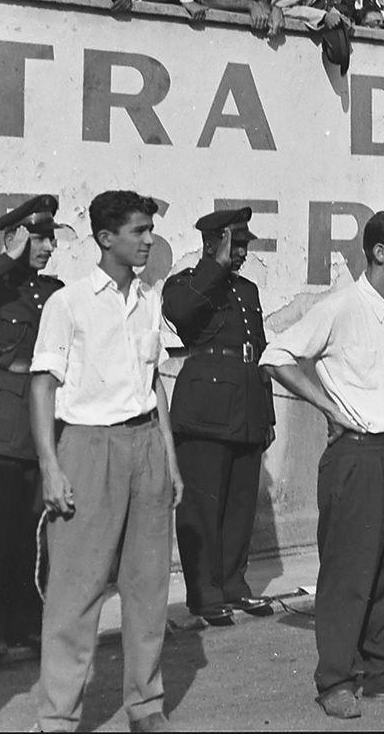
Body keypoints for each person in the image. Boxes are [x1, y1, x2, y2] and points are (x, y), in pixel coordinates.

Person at [263, 210, 384, 718]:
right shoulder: (339, 306)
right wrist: (328, 406)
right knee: (348, 572)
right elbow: (276, 355)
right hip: (356, 458)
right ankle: (335, 680)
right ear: (380, 252)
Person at [29, 190, 181, 734]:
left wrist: (169, 457)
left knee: (147, 588)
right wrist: (51, 466)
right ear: (105, 238)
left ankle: (146, 707)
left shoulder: (150, 298)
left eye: (149, 231)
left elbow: (154, 383)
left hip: (146, 448)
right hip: (89, 448)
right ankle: (58, 717)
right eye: (139, 231)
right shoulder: (67, 303)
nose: (148, 241)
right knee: (76, 591)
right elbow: (43, 386)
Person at [162, 207, 276, 626]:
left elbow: (259, 352)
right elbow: (181, 313)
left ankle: (232, 584)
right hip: (205, 409)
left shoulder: (247, 291)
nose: (243, 253)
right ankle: (204, 593)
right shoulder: (186, 284)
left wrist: (266, 414)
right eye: (237, 244)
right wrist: (217, 264)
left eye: (245, 245)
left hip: (245, 404)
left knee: (239, 505)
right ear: (214, 243)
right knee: (202, 507)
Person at [0, 195, 63, 661]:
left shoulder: (54, 291)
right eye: (39, 237)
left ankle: (26, 623)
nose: (48, 246)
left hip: (40, 424)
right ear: (17, 237)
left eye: (50, 237)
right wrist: (6, 258)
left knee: (32, 534)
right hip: (0, 426)